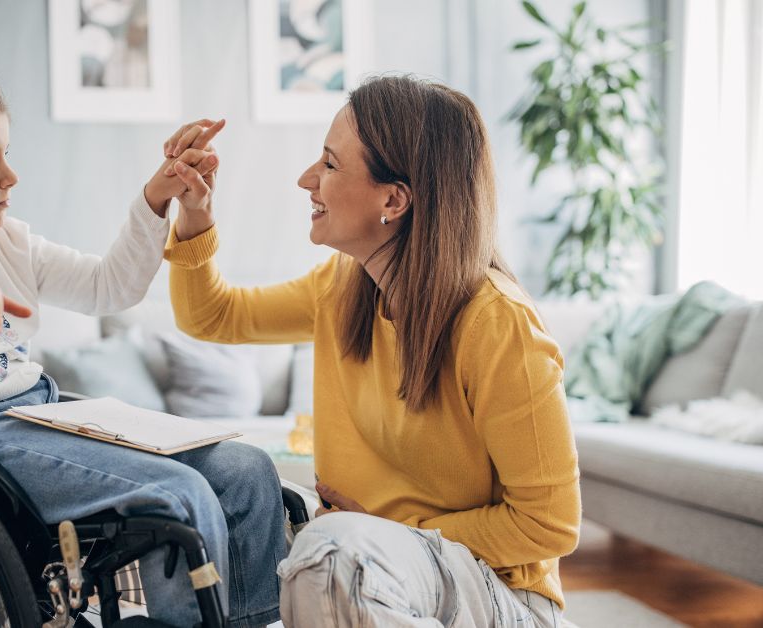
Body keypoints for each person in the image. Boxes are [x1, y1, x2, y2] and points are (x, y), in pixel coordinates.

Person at [0, 54, 286, 628]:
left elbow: (109, 287)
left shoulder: (6, 242)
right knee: (178, 497)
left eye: (5, 155)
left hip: (38, 415)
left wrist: (155, 198)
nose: (10, 177)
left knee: (247, 471)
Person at [162, 75, 581, 627]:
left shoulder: (498, 326)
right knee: (233, 497)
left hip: (503, 597)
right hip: (379, 566)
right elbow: (212, 315)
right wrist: (195, 212)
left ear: (394, 199)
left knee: (336, 557)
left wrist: (390, 532)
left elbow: (548, 524)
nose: (306, 179)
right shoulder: (343, 287)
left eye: (330, 165)